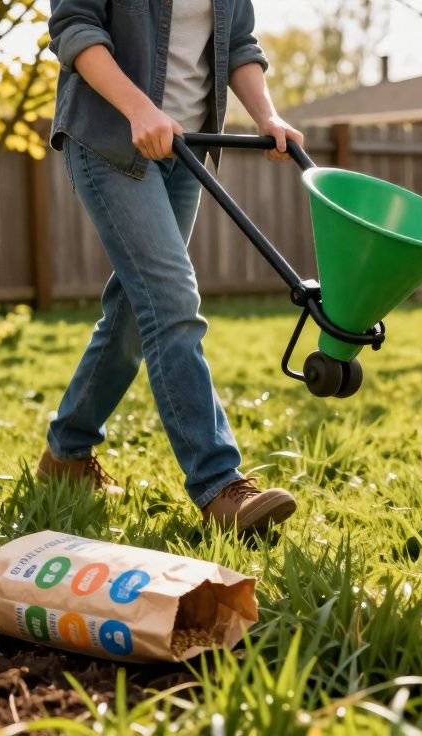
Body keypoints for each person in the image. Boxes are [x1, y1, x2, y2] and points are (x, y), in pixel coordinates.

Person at [41, 0, 302, 533]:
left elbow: (237, 44)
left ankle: (66, 455)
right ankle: (218, 485)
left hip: (186, 147)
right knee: (171, 302)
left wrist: (267, 116)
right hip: (110, 138)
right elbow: (75, 27)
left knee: (136, 312)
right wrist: (139, 108)